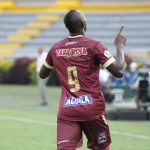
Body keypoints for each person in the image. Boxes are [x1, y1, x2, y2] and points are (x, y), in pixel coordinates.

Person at [39, 10, 126, 150]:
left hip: (67, 110)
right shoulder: (94, 45)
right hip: (92, 109)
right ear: (83, 24)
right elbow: (119, 71)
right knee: (101, 147)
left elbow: (42, 74)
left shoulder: (55, 48)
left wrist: (62, 60)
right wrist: (119, 46)